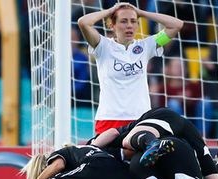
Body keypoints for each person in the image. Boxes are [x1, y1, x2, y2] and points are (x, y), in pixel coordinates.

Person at [77, 2, 183, 134]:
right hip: (109, 119)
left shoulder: (146, 46)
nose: (129, 25)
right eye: (123, 21)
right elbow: (83, 22)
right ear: (112, 25)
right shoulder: (102, 46)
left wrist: (142, 13)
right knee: (105, 155)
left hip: (140, 118)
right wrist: (111, 10)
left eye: (133, 21)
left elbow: (177, 25)